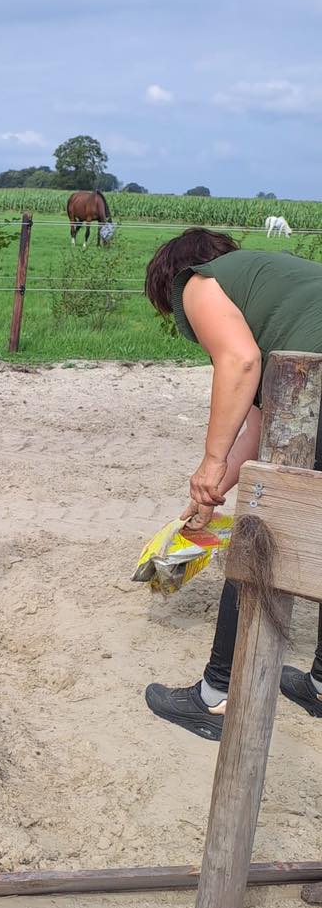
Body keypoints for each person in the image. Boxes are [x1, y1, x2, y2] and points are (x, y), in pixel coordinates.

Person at [142, 227, 322, 739]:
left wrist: (209, 460)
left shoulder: (200, 282)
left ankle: (216, 697)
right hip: (312, 394)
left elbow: (240, 362)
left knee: (260, 535)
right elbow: (270, 420)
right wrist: (213, 490)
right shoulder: (280, 288)